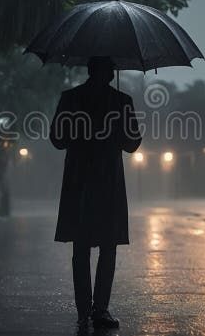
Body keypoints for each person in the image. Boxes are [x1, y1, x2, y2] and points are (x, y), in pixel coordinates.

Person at [50, 56, 142, 330]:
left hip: (80, 181)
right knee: (107, 246)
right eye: (110, 69)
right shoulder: (122, 101)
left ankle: (84, 309)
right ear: (109, 72)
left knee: (81, 247)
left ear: (89, 70)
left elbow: (57, 139)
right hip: (107, 182)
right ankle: (100, 309)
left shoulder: (71, 98)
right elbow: (132, 144)